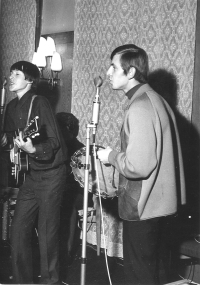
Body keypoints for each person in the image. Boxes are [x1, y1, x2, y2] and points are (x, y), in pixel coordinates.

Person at [97, 44, 186, 285]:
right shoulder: (155, 99)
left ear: (131, 72)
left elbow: (138, 166)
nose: (108, 72)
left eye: (114, 67)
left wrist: (111, 156)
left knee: (138, 276)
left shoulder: (139, 106)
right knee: (153, 274)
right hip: (161, 206)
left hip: (143, 208)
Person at [2, 61, 68, 284]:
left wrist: (33, 149)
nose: (11, 77)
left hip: (51, 174)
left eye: (17, 74)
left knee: (47, 235)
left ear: (30, 81)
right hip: (29, 175)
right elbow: (11, 138)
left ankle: (51, 282)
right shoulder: (11, 107)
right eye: (11, 74)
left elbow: (55, 142)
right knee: (18, 231)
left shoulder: (40, 103)